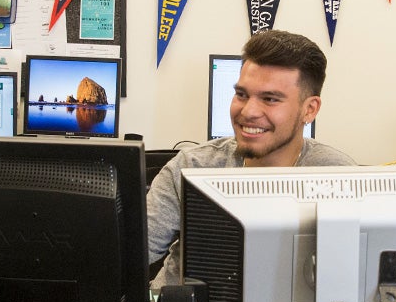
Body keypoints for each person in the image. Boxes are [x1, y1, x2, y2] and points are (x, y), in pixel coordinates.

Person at [146, 29, 356, 288]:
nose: (248, 111)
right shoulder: (191, 167)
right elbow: (131, 253)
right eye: (242, 95)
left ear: (309, 109)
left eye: (270, 99)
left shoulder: (339, 177)